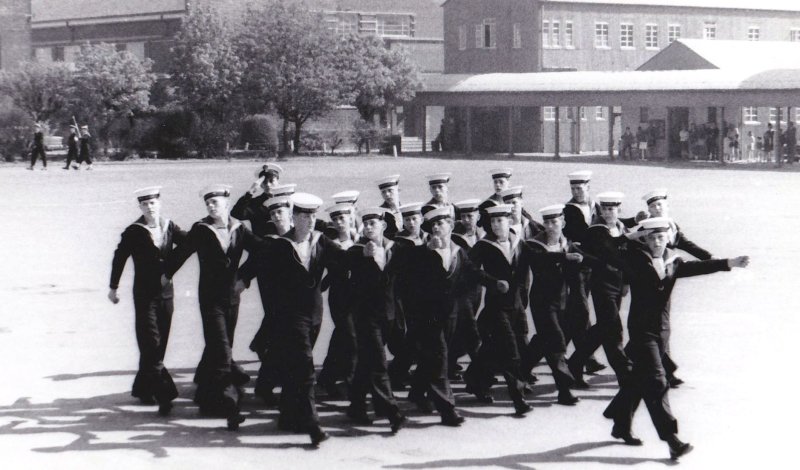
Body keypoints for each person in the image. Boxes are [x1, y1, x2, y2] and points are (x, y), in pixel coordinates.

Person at [601, 217, 749, 460]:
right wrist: (630, 236)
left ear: (668, 238)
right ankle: (672, 440)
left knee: (638, 379)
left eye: (661, 237)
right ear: (645, 240)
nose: (657, 242)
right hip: (642, 333)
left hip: (662, 332)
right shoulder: (634, 259)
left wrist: (729, 263)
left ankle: (620, 422)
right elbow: (610, 251)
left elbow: (697, 267)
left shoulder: (673, 261)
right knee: (657, 382)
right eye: (651, 237)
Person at [165, 184, 260, 430]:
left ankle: (206, 396)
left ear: (226, 204)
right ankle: (231, 406)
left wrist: (245, 277)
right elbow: (182, 253)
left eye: (215, 202)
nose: (211, 206)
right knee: (222, 351)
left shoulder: (239, 228)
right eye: (208, 203)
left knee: (220, 345)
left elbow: (262, 252)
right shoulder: (201, 229)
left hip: (232, 298)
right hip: (210, 300)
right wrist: (165, 274)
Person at [405, 207, 501, 424]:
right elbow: (410, 277)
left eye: (441, 223)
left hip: (452, 315)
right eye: (433, 225)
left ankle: (417, 392)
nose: (437, 228)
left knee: (436, 358)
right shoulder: (420, 252)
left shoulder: (458, 250)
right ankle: (448, 410)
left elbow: (474, 272)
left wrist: (494, 283)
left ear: (450, 225)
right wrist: (427, 252)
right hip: (429, 317)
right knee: (439, 359)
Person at [269, 192, 346, 445]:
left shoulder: (321, 241)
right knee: (305, 369)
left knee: (296, 368)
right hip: (292, 318)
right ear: (294, 217)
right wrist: (242, 279)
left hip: (315, 315)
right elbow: (262, 269)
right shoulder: (281, 246)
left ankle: (287, 416)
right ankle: (313, 424)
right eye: (305, 215)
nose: (311, 220)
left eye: (313, 215)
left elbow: (345, 261)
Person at [109, 186, 186, 415]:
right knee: (151, 343)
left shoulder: (169, 226)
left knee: (157, 346)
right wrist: (113, 287)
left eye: (153, 203)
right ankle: (166, 395)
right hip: (144, 296)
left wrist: (172, 268)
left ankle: (143, 388)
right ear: (140, 207)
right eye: (145, 204)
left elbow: (190, 244)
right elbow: (119, 257)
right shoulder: (134, 230)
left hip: (166, 295)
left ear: (159, 203)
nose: (149, 207)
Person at [464, 204, 533, 416]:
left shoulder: (519, 243)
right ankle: (518, 397)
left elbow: (528, 268)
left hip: (517, 306)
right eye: (493, 221)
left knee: (497, 348)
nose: (496, 225)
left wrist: (522, 296)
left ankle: (475, 380)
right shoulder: (484, 245)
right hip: (496, 307)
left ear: (509, 221)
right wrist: (493, 282)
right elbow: (470, 269)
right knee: (510, 351)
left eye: (500, 220)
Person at [345, 207, 407, 433]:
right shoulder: (356, 251)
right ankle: (393, 412)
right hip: (366, 318)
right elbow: (346, 269)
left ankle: (356, 405)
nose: (370, 227)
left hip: (388, 317)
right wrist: (363, 258)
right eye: (366, 224)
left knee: (366, 363)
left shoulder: (396, 249)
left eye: (374, 223)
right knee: (379, 364)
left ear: (383, 225)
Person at [568, 191, 632, 388]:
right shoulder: (597, 230)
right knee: (613, 327)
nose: (608, 213)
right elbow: (609, 251)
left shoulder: (622, 227)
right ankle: (624, 373)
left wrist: (626, 283)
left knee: (604, 328)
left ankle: (575, 362)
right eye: (604, 209)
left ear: (619, 210)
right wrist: (632, 236)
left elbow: (627, 259)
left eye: (612, 209)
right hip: (601, 284)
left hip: (617, 283)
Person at [522, 204, 584, 406]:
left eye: (554, 222)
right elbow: (539, 260)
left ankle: (520, 372)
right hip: (542, 302)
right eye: (547, 222)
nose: (549, 226)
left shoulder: (567, 243)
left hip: (562, 301)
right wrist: (565, 257)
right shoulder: (534, 244)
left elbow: (584, 260)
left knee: (543, 341)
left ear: (562, 223)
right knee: (557, 342)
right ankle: (565, 390)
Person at [561, 171, 606, 376]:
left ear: (588, 187)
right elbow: (573, 235)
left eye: (580, 188)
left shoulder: (596, 206)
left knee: (574, 314)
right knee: (582, 310)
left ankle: (557, 350)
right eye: (573, 189)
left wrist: (633, 220)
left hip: (592, 266)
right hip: (577, 266)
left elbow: (610, 221)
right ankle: (586, 358)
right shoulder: (569, 209)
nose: (577, 192)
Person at [317, 203, 359, 398]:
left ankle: (327, 377)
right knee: (350, 337)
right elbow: (332, 272)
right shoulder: (330, 244)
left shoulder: (361, 240)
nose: (339, 223)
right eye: (335, 219)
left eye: (343, 218)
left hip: (360, 298)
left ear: (351, 217)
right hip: (340, 298)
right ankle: (351, 382)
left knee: (341, 338)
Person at [387, 202, 428, 389]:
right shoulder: (398, 242)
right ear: (402, 221)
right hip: (404, 296)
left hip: (424, 296)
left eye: (414, 219)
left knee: (417, 336)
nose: (411, 223)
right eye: (407, 220)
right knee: (411, 336)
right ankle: (397, 373)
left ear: (420, 219)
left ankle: (400, 372)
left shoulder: (427, 238)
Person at [447, 199, 485, 380]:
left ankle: (449, 362)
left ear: (478, 216)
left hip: (477, 289)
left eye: (470, 216)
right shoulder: (455, 237)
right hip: (460, 291)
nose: (467, 220)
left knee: (462, 329)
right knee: (471, 330)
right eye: (463, 216)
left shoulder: (482, 234)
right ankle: (480, 373)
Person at [230, 163, 284, 236]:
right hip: (262, 244)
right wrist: (251, 191)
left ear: (278, 181)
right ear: (261, 185)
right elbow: (236, 214)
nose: (268, 184)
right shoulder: (255, 203)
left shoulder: (286, 200)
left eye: (271, 181)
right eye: (264, 182)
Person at [376, 174, 402, 239]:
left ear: (398, 191)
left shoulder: (406, 210)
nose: (387, 194)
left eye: (390, 190)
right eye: (383, 192)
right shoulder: (379, 213)